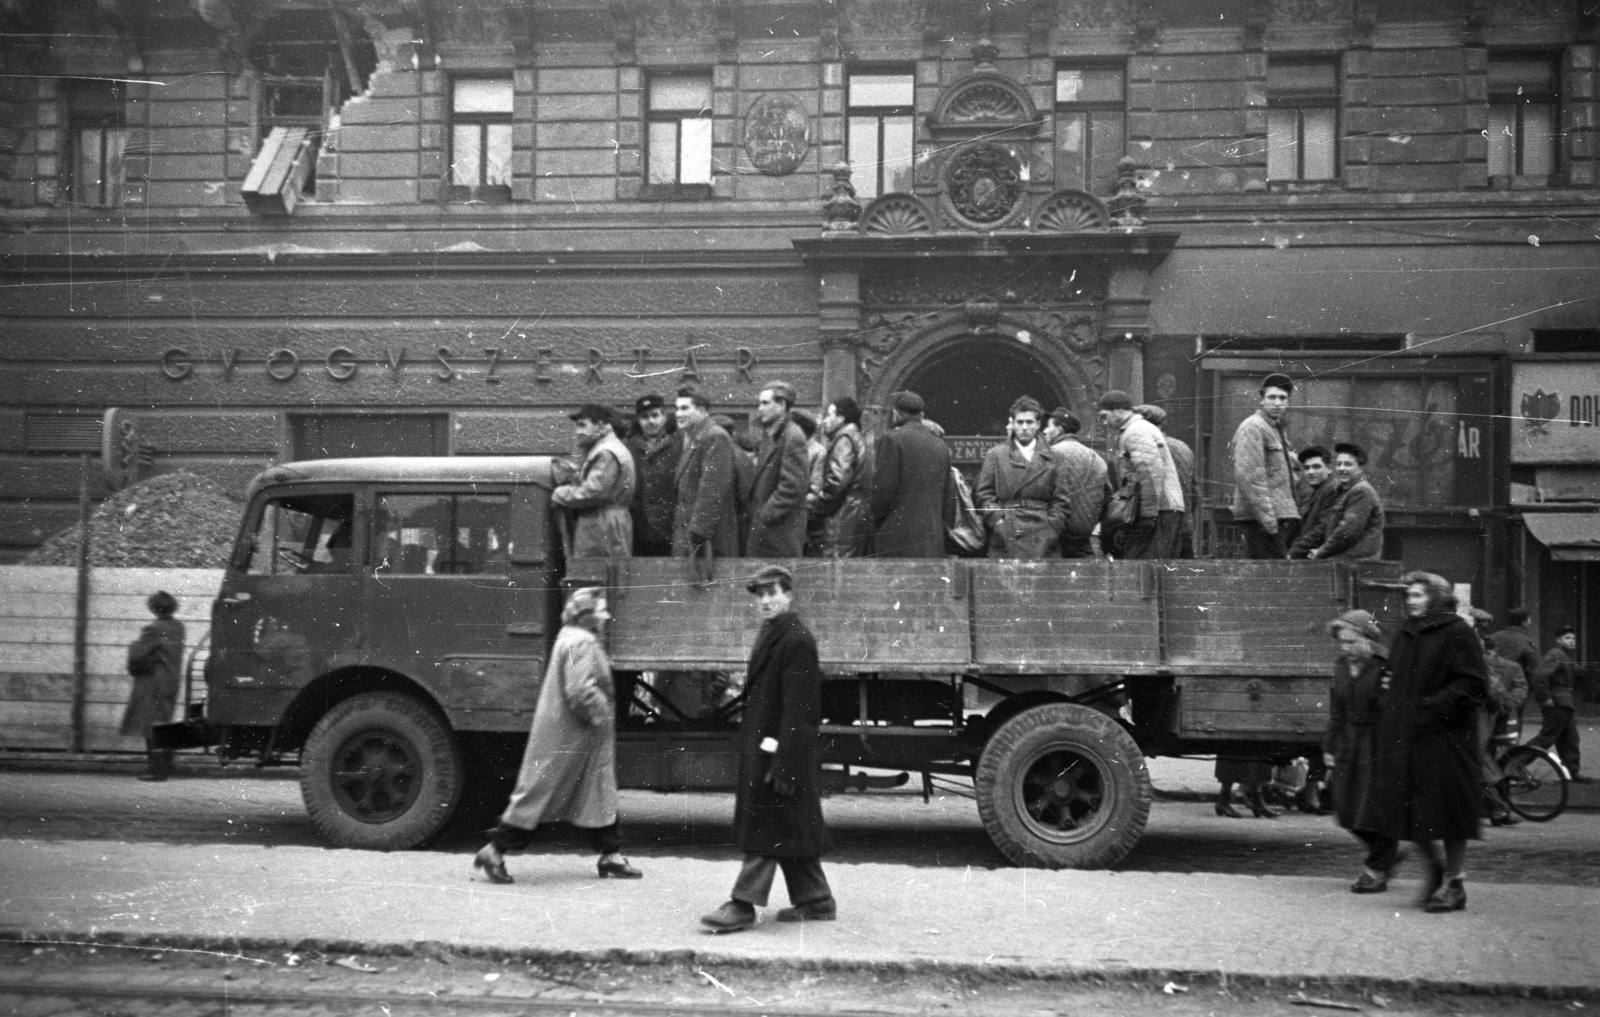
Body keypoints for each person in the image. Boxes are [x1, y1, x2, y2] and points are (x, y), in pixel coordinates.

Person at [474, 587, 641, 884]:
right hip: (575, 734)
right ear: (586, 615)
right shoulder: (582, 642)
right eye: (601, 610)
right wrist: (601, 715)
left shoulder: (569, 637)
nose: (607, 615)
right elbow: (579, 691)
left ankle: (611, 854)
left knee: (598, 790)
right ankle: (495, 849)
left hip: (574, 734)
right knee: (542, 794)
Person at [701, 566, 835, 932]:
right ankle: (815, 900)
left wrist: (786, 766)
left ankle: (742, 904)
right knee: (790, 824)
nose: (765, 601)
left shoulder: (797, 640)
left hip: (780, 754)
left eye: (772, 592)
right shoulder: (775, 634)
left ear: (789, 595)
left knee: (767, 826)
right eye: (759, 595)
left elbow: (801, 712)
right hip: (770, 750)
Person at [1366, 571, 1488, 912]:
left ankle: (1455, 884)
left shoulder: (1458, 632)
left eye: (1418, 595)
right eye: (1409, 596)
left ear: (1435, 597)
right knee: (1413, 812)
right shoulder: (1406, 633)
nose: (1411, 601)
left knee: (1449, 816)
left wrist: (1429, 708)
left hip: (1446, 740)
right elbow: (1395, 676)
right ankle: (1437, 873)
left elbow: (1474, 685)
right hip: (1408, 740)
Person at [1323, 609, 1400, 892]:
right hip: (1347, 740)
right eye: (1342, 642)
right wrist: (1329, 746)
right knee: (1344, 809)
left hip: (1377, 742)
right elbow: (1336, 711)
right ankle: (1386, 855)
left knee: (1371, 808)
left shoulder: (1385, 666)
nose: (1346, 648)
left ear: (1368, 639)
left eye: (1351, 642)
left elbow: (1392, 711)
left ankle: (1376, 868)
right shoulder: (1341, 666)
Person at [975, 396, 1070, 558]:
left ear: (1038, 424)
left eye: (1030, 422)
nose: (1024, 427)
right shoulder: (996, 455)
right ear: (1012, 423)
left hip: (1043, 532)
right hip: (1008, 530)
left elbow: (1063, 500)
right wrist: (998, 522)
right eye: (1019, 422)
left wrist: (1053, 529)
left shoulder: (1055, 457)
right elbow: (983, 495)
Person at [1096, 390, 1184, 559]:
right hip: (1161, 508)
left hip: (1157, 511)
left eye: (1105, 416)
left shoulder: (1135, 431)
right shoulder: (1137, 429)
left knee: (1144, 570)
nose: (1104, 422)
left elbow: (1149, 472)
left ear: (1120, 411)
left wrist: (1147, 515)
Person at [869, 390, 952, 558]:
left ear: (896, 414)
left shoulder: (892, 440)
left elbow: (883, 493)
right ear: (922, 415)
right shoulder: (941, 446)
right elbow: (948, 499)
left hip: (896, 540)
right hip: (932, 541)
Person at [552, 404, 636, 560]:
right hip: (607, 521)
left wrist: (560, 494)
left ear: (601, 426)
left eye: (583, 425)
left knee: (596, 573)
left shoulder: (606, 452)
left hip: (602, 524)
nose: (578, 432)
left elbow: (594, 492)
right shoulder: (608, 448)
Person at [1230, 372, 1300, 558]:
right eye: (1272, 397)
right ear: (1261, 400)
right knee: (1271, 577)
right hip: (1262, 521)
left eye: (1282, 398)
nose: (1277, 403)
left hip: (1275, 517)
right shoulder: (1253, 427)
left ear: (1288, 402)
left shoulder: (1274, 428)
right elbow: (1250, 478)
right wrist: (1268, 521)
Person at [671, 385, 741, 562]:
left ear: (702, 410)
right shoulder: (695, 437)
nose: (678, 414)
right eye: (677, 408)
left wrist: (697, 534)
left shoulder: (715, 436)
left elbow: (713, 489)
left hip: (705, 541)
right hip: (692, 536)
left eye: (685, 408)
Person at [121, 590, 185, 782]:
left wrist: (133, 645)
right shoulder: (178, 626)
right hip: (171, 680)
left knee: (152, 726)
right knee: (163, 723)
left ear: (152, 608)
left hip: (154, 681)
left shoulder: (153, 629)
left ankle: (157, 771)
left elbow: (138, 654)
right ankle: (166, 766)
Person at [1471, 609, 1527, 826]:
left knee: (1477, 763)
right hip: (1482, 715)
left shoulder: (1479, 658)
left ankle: (1497, 809)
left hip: (1478, 717)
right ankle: (1495, 811)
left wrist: (1504, 704)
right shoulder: (1479, 655)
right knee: (1480, 763)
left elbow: (1496, 690)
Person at [746, 381, 811, 558]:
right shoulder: (772, 434)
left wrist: (764, 516)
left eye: (765, 403)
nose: (760, 408)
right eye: (759, 403)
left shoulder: (792, 436)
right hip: (769, 533)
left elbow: (793, 487)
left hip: (779, 534)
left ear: (782, 405)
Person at [1299, 442, 1384, 561]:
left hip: (1358, 560)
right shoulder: (1343, 491)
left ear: (1360, 468)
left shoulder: (1361, 491)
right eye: (1338, 464)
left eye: (1348, 464)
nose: (1341, 468)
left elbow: (1347, 532)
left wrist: (1321, 551)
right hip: (1346, 558)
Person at [809, 396, 870, 558]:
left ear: (842, 418)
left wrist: (817, 510)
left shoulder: (844, 439)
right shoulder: (856, 437)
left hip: (839, 521)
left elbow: (836, 482)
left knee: (834, 569)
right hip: (851, 516)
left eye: (829, 415)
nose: (824, 421)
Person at [1135, 404, 1195, 558]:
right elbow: (1195, 491)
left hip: (1159, 524)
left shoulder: (1149, 446)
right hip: (1184, 522)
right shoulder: (1183, 447)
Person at [624, 394, 681, 557]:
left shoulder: (679, 445)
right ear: (638, 420)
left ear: (664, 416)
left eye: (655, 415)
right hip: (638, 527)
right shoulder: (628, 447)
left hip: (669, 527)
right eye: (644, 417)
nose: (650, 421)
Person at [1047, 408, 1107, 559]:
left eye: (1049, 426)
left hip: (1054, 539)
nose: (1045, 431)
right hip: (1083, 539)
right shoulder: (1096, 458)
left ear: (1059, 429)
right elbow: (1107, 499)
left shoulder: (1049, 454)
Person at [1528, 627, 1582, 781]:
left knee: (1570, 738)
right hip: (1557, 703)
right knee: (1547, 737)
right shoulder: (1556, 654)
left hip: (1565, 702)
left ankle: (1573, 772)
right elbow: (1539, 676)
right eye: (1567, 638)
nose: (1571, 641)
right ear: (1558, 640)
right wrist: (1544, 698)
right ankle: (1516, 762)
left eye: (1573, 638)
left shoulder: (1565, 656)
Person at [1288, 446, 1336, 559]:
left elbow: (1322, 529)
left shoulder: (1332, 490)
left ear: (1329, 469)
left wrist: (1292, 553)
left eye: (1316, 467)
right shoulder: (1318, 491)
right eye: (1306, 468)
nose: (1310, 472)